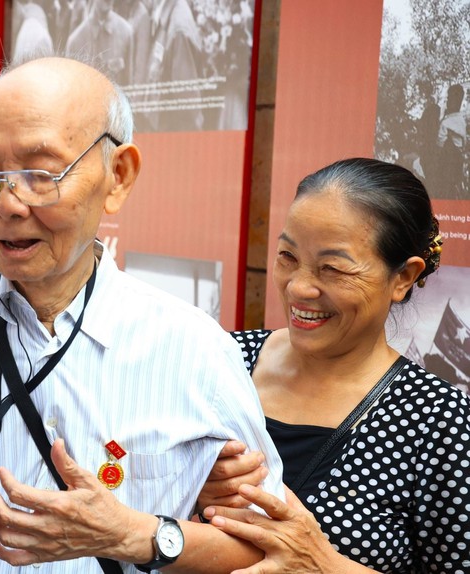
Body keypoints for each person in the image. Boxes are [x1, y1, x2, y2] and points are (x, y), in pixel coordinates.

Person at [0, 55, 286, 573]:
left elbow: (271, 552)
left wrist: (137, 535)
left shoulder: (195, 349)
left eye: (39, 174)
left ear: (117, 177)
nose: (7, 205)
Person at [197, 158, 470, 572]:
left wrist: (322, 564)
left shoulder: (438, 421)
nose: (299, 287)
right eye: (288, 256)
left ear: (403, 278)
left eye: (333, 268)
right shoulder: (219, 362)